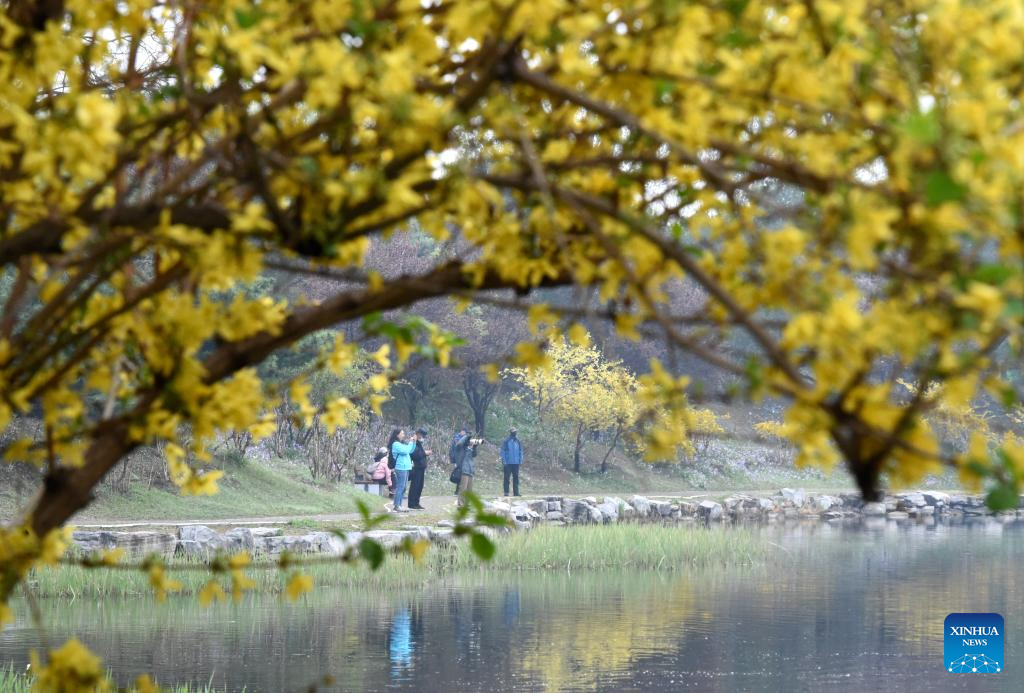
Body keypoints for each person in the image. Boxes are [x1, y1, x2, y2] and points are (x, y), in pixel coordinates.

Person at [390, 429, 416, 512]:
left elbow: (410, 450)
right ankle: (396, 505)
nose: (403, 435)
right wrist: (411, 442)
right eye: (402, 433)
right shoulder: (395, 444)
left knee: (403, 487)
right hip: (400, 467)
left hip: (406, 467)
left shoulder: (401, 444)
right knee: (400, 487)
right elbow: (405, 451)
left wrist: (414, 442)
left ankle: (400, 505)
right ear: (397, 435)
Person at [454, 432, 480, 507]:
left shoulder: (471, 450)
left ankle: (467, 504)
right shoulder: (462, 448)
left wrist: (475, 446)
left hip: (470, 470)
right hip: (464, 470)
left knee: (469, 489)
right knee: (463, 488)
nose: (472, 442)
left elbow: (474, 454)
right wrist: (467, 437)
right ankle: (460, 504)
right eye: (471, 441)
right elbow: (459, 444)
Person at [407, 428, 430, 510]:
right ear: (418, 434)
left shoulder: (419, 443)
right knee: (415, 486)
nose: (423, 438)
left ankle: (416, 503)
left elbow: (420, 453)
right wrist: (425, 453)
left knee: (419, 486)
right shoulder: (414, 442)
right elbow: (415, 454)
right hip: (416, 468)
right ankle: (412, 503)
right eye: (422, 436)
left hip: (421, 468)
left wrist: (424, 453)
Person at [500, 427, 523, 497]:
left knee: (516, 477)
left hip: (516, 463)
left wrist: (520, 460)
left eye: (515, 431)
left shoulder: (518, 441)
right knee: (506, 478)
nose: (515, 432)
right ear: (511, 432)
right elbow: (502, 451)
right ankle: (506, 492)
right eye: (513, 431)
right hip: (508, 463)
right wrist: (504, 461)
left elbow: (521, 451)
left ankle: (516, 493)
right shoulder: (506, 441)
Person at [449, 426, 467, 495]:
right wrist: (453, 460)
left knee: (462, 475)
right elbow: (453, 450)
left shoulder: (465, 439)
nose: (463, 433)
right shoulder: (456, 439)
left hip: (463, 459)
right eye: (462, 431)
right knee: (459, 475)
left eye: (464, 432)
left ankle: (459, 491)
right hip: (458, 459)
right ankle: (457, 491)